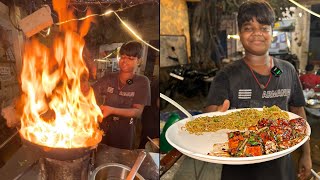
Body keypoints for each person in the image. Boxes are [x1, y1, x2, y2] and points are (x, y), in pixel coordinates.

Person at [204, 1, 311, 180]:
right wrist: (214, 116)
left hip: (281, 165)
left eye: (263, 27)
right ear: (240, 33)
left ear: (272, 32)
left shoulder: (287, 70)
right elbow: (210, 114)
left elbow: (298, 112)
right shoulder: (226, 75)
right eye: (248, 28)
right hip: (239, 167)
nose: (257, 34)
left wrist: (306, 154)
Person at [92, 41, 151, 150]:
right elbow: (90, 91)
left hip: (124, 130)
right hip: (104, 127)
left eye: (130, 58)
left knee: (120, 158)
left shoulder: (141, 82)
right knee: (100, 154)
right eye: (123, 57)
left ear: (139, 61)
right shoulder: (109, 78)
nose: (124, 61)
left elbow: (137, 112)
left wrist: (112, 110)